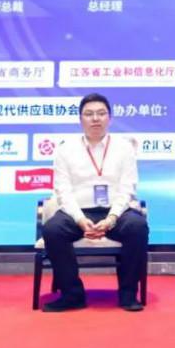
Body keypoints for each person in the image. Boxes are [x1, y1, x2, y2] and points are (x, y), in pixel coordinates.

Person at [41, 93, 149, 312]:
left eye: (101, 113)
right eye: (89, 114)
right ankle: (72, 294)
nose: (95, 119)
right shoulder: (65, 149)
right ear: (80, 119)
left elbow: (127, 188)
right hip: (78, 211)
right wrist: (80, 220)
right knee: (52, 230)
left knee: (137, 227)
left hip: (116, 212)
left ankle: (128, 294)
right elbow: (63, 190)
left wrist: (111, 218)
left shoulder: (124, 148)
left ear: (110, 118)